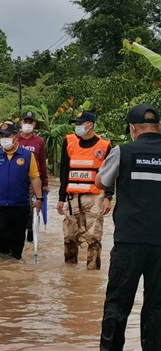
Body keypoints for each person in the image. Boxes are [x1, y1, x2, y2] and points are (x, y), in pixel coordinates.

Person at [97, 104, 161, 350]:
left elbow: (101, 182)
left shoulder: (123, 151)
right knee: (157, 307)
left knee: (117, 304)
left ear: (133, 129)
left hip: (128, 242)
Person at [56, 111, 113, 270]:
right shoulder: (69, 142)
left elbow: (110, 173)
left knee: (93, 238)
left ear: (90, 125)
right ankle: (69, 273)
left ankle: (92, 275)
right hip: (73, 197)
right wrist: (61, 198)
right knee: (69, 237)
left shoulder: (104, 146)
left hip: (95, 198)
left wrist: (109, 196)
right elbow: (64, 172)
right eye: (77, 124)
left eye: (80, 124)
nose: (77, 127)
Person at [0, 123, 43, 259]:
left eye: (7, 135)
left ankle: (14, 265)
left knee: (17, 238)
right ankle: (0, 263)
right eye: (2, 136)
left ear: (15, 137)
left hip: (20, 205)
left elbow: (35, 178)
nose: (4, 139)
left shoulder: (27, 155)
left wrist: (39, 198)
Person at [16, 111, 49, 242]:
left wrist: (45, 183)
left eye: (30, 122)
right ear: (21, 122)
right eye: (25, 121)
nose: (28, 124)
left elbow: (42, 162)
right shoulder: (14, 139)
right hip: (18, 180)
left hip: (34, 180)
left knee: (32, 209)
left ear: (34, 124)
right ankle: (18, 236)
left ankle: (30, 238)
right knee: (18, 209)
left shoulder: (39, 141)